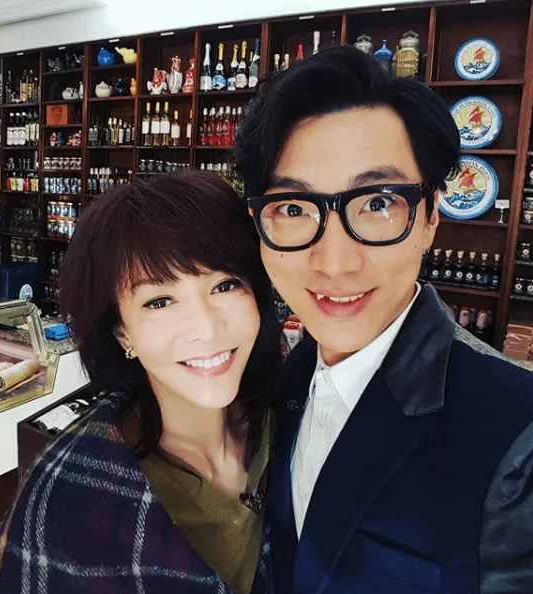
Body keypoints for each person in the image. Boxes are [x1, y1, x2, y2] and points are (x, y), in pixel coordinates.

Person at [235, 45, 533, 594]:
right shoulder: (284, 381)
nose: (335, 263)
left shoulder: (518, 434)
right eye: (294, 209)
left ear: (431, 216)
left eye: (377, 204)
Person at [0, 172, 281, 594]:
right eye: (159, 301)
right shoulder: (71, 494)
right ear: (122, 333)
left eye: (225, 285)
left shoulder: (288, 423)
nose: (206, 328)